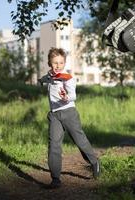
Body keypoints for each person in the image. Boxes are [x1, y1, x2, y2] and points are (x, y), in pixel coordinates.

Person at [41, 47, 100, 189]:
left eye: (61, 63)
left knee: (79, 140)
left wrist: (66, 97)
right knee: (54, 144)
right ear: (49, 63)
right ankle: (55, 178)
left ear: (65, 63)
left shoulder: (67, 77)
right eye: (55, 63)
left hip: (69, 112)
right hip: (54, 115)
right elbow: (45, 79)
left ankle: (94, 162)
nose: (58, 66)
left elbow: (73, 95)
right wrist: (41, 81)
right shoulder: (49, 76)